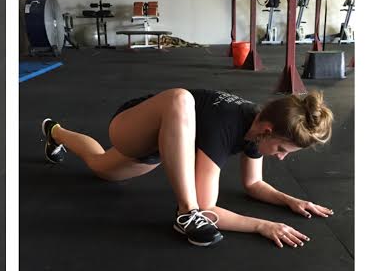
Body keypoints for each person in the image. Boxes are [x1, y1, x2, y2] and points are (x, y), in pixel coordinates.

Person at [41, 88, 334, 248]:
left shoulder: (259, 129)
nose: (280, 158)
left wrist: (290, 200)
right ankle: (185, 212)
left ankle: (54, 132)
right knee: (181, 99)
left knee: (100, 166)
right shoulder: (228, 125)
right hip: (132, 126)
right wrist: (262, 225)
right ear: (267, 131)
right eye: (282, 150)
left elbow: (253, 184)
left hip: (161, 148)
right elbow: (207, 209)